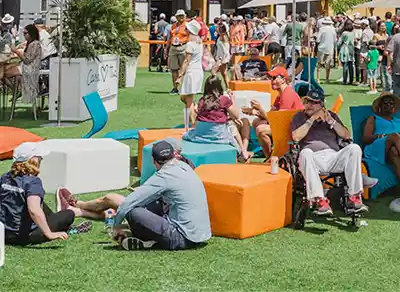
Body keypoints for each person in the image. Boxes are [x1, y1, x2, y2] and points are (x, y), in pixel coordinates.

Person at [65, 140, 211, 251]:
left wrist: (116, 228)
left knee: (130, 208)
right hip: (201, 235)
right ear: (175, 155)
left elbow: (128, 204)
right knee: (126, 204)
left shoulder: (163, 176)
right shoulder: (185, 167)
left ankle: (77, 206)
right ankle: (78, 208)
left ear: (154, 162)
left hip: (179, 237)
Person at [290, 87, 368, 216]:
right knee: (305, 153)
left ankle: (355, 197)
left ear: (321, 105)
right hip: (312, 158)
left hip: (333, 156)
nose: (309, 105)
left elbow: (346, 135)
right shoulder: (299, 117)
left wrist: (332, 121)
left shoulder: (331, 116)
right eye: (307, 101)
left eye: (313, 102)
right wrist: (311, 120)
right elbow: (296, 137)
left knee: (354, 148)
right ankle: (320, 201)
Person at [1, 142, 92, 246]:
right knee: (68, 214)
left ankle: (50, 221)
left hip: (4, 233)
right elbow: (33, 210)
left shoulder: (5, 177)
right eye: (40, 158)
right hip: (25, 236)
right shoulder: (33, 182)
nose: (41, 160)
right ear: (33, 160)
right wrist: (49, 234)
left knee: (40, 204)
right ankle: (60, 228)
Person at [362, 92, 400, 194]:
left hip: (395, 150)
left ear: (394, 107)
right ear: (380, 106)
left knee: (395, 151)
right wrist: (382, 136)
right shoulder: (373, 119)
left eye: (391, 104)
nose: (389, 106)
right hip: (376, 148)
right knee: (395, 136)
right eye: (385, 104)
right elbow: (365, 138)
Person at [183, 76, 250, 161]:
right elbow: (237, 114)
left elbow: (204, 114)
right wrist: (232, 100)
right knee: (232, 127)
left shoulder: (202, 101)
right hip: (217, 134)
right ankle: (243, 151)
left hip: (200, 134)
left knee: (187, 134)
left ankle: (243, 152)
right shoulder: (223, 99)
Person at [10, 24, 43, 110]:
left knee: (7, 71)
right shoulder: (30, 43)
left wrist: (16, 51)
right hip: (27, 67)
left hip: (30, 68)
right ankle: (15, 89)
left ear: (31, 33)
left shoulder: (35, 44)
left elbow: (27, 60)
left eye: (25, 33)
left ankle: (15, 90)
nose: (24, 35)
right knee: (6, 70)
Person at [167, 9, 189, 94]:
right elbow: (170, 37)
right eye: (179, 16)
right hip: (173, 47)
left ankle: (186, 88)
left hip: (183, 46)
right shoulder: (173, 26)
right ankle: (175, 88)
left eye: (182, 16)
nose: (180, 17)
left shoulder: (187, 25)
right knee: (173, 69)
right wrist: (167, 47)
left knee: (184, 68)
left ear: (185, 16)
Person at [316, 16, 337, 83]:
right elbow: (335, 40)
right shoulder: (333, 29)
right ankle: (326, 79)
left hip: (322, 48)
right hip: (330, 48)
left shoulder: (322, 29)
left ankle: (318, 78)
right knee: (328, 64)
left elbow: (318, 39)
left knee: (319, 64)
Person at [337, 21, 356, 86]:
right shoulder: (353, 33)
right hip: (351, 49)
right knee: (351, 66)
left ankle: (345, 80)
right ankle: (351, 80)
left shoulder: (344, 33)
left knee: (345, 66)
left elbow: (339, 42)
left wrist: (337, 46)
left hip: (345, 49)